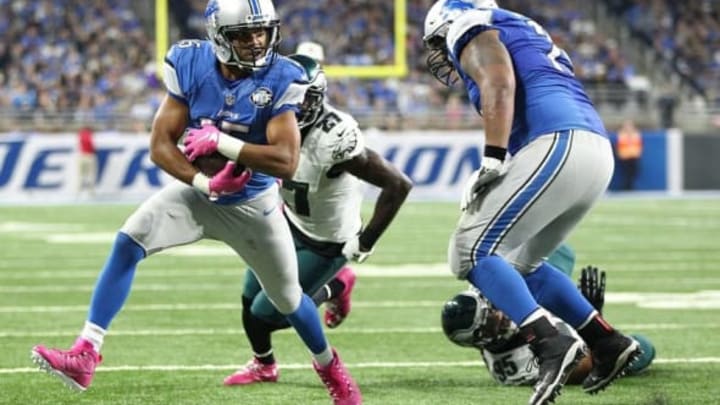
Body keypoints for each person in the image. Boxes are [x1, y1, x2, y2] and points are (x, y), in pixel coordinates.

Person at [30, 1, 361, 404]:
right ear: (219, 37)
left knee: (289, 299)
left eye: (261, 32)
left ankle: (330, 368)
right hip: (201, 194)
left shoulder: (282, 76)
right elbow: (159, 146)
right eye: (244, 34)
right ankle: (86, 351)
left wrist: (222, 143)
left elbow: (286, 160)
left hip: (253, 205)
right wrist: (204, 183)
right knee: (128, 241)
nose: (256, 42)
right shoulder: (190, 63)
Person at [422, 1, 640, 404]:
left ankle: (550, 343)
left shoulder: (469, 24)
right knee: (519, 265)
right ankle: (605, 342)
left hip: (557, 140)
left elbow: (499, 82)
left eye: (437, 40)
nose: (441, 51)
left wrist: (492, 156)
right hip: (592, 148)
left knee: (467, 252)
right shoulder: (525, 29)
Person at [224, 53, 412, 386]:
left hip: (328, 240)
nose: (293, 105)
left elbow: (398, 184)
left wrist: (366, 241)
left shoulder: (333, 137)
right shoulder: (266, 121)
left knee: (271, 312)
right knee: (248, 296)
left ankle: (338, 284)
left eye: (300, 98)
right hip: (287, 221)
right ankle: (264, 365)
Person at [441, 246, 656, 386]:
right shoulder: (520, 365)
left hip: (543, 323)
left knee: (556, 253)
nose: (500, 313)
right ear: (483, 339)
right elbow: (588, 365)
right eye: (492, 323)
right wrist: (593, 324)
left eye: (492, 309)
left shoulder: (485, 301)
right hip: (570, 344)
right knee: (642, 347)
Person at [615, 119, 643, 190]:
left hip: (634, 157)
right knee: (625, 174)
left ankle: (630, 186)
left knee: (633, 173)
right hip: (624, 158)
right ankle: (625, 187)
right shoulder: (621, 135)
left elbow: (639, 146)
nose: (628, 128)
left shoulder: (636, 134)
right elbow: (620, 146)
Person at [76, 125, 97, 197]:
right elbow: (91, 144)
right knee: (91, 174)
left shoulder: (80, 135)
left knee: (81, 175)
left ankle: (78, 191)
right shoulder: (89, 135)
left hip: (82, 155)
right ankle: (91, 192)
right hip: (89, 155)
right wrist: (94, 151)